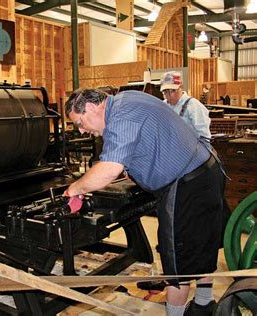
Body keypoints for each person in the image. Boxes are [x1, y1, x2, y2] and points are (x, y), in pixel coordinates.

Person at [63, 89, 227, 316]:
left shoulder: (120, 116)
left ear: (91, 108)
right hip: (205, 171)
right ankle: (204, 304)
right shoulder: (126, 99)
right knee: (200, 246)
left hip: (186, 184)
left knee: (177, 267)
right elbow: (147, 140)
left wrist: (74, 188)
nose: (82, 130)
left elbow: (109, 169)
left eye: (79, 122)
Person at [160, 71, 211, 140]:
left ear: (180, 87)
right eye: (166, 92)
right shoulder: (163, 106)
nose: (170, 96)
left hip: (190, 149)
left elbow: (204, 137)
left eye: (173, 91)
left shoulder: (193, 106)